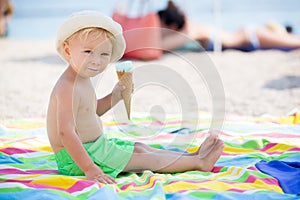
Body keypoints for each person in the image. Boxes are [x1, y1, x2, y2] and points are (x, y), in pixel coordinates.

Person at [47, 10, 224, 184]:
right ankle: (200, 163)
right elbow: (66, 133)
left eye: (104, 54)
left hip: (95, 147)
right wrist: (90, 168)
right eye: (88, 52)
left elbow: (90, 112)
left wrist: (114, 97)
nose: (97, 60)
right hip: (76, 159)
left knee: (140, 148)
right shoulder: (67, 88)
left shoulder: (82, 78)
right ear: (68, 51)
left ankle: (192, 156)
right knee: (146, 160)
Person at [158, 1, 300, 52]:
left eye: (160, 27)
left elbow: (159, 46)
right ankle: (277, 29)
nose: (158, 32)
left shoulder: (191, 31)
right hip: (249, 38)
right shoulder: (190, 29)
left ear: (173, 25)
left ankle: (277, 29)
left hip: (251, 37)